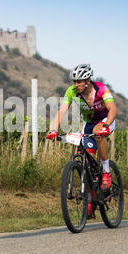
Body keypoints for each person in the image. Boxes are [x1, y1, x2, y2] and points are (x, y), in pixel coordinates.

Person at [46, 64, 117, 218]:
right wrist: (53, 130)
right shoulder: (72, 92)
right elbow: (61, 111)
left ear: (88, 80)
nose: (76, 85)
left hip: (105, 119)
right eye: (74, 81)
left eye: (79, 81)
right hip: (89, 123)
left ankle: (106, 172)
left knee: (99, 135)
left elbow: (113, 109)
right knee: (87, 160)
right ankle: (90, 200)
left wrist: (106, 125)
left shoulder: (101, 89)